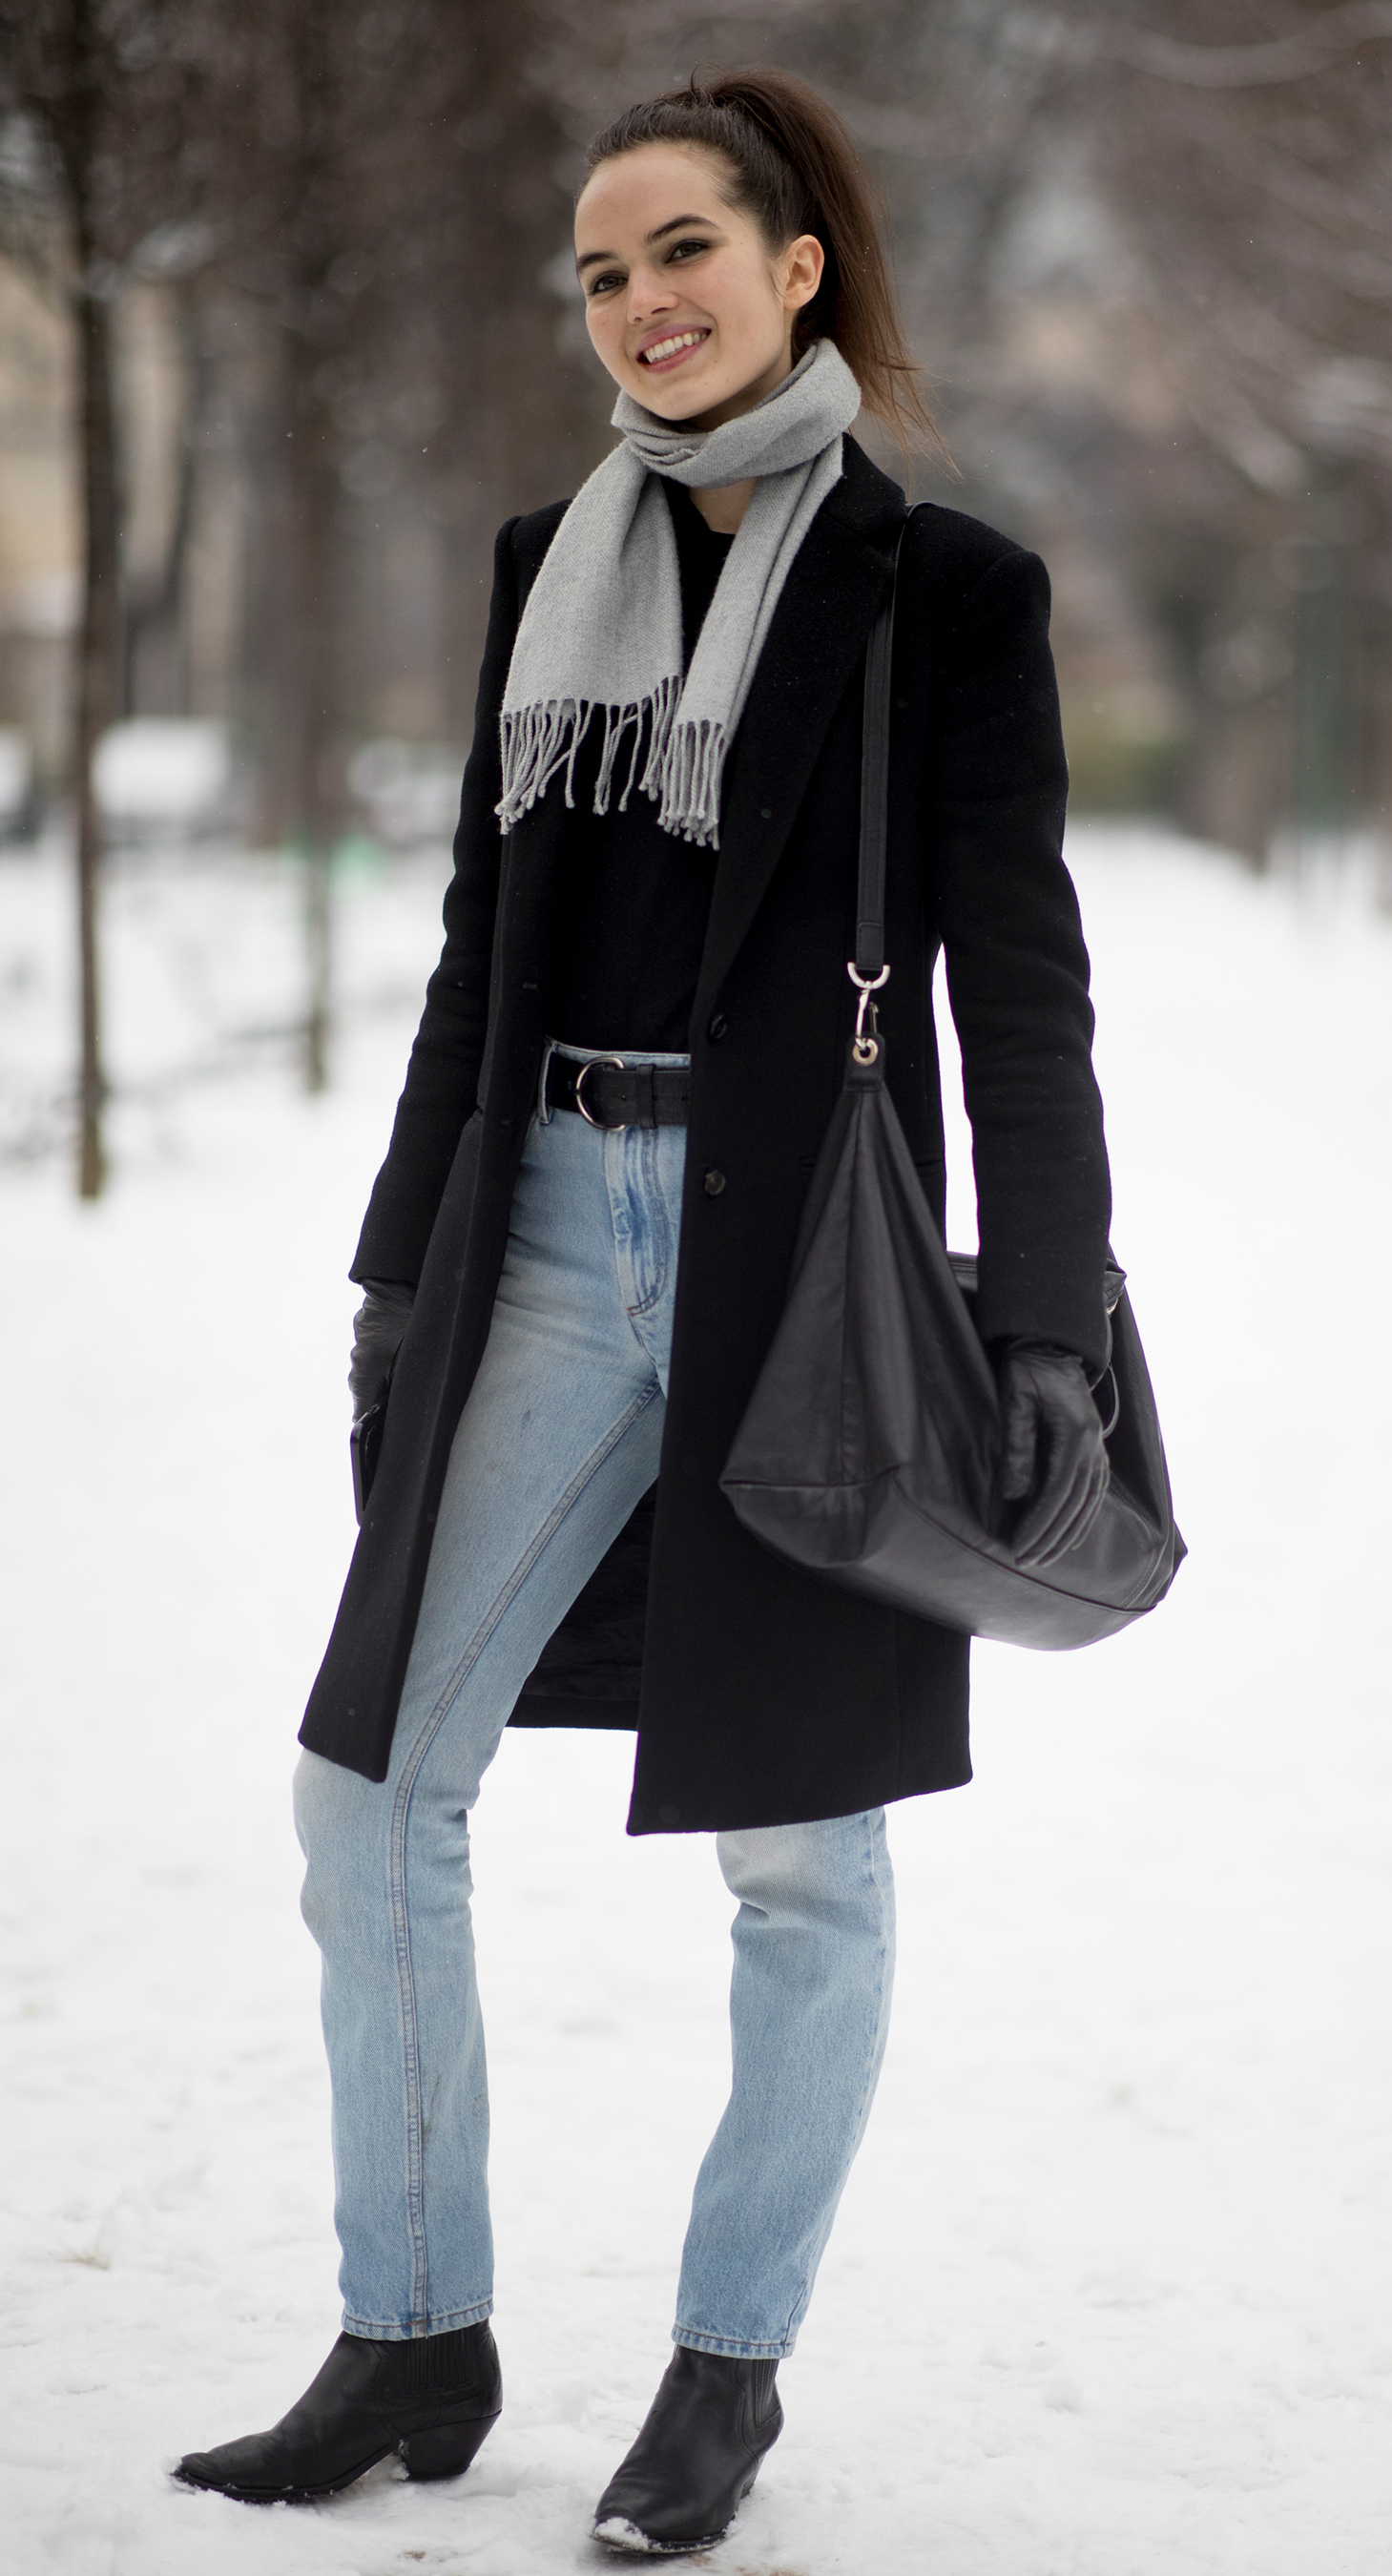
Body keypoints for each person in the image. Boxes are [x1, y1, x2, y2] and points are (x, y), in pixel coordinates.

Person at [174, 66, 1112, 2557]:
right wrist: (401, 1264)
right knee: (370, 1785)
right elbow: (482, 944)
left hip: (805, 1281)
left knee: (801, 1857)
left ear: (797, 264)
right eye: (601, 270)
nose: (640, 303)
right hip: (552, 1232)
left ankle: (726, 2365)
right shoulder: (547, 567)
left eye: (682, 248)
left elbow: (1025, 998)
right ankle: (415, 2324)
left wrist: (1048, 1320)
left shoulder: (943, 592)